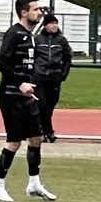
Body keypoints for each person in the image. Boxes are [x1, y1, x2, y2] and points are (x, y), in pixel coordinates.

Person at [0, 0, 57, 202]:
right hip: (10, 95)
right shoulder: (14, 34)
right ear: (24, 12)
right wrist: (20, 83)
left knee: (36, 138)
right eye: (35, 9)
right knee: (14, 142)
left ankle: (34, 184)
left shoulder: (30, 36)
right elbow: (2, 63)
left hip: (27, 95)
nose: (40, 13)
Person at [36, 14, 74, 142]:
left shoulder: (62, 40)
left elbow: (67, 58)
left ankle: (44, 131)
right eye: (51, 23)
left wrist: (63, 75)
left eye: (56, 23)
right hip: (39, 78)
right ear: (45, 25)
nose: (54, 25)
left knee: (49, 106)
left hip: (54, 78)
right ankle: (47, 132)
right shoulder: (37, 39)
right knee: (41, 105)